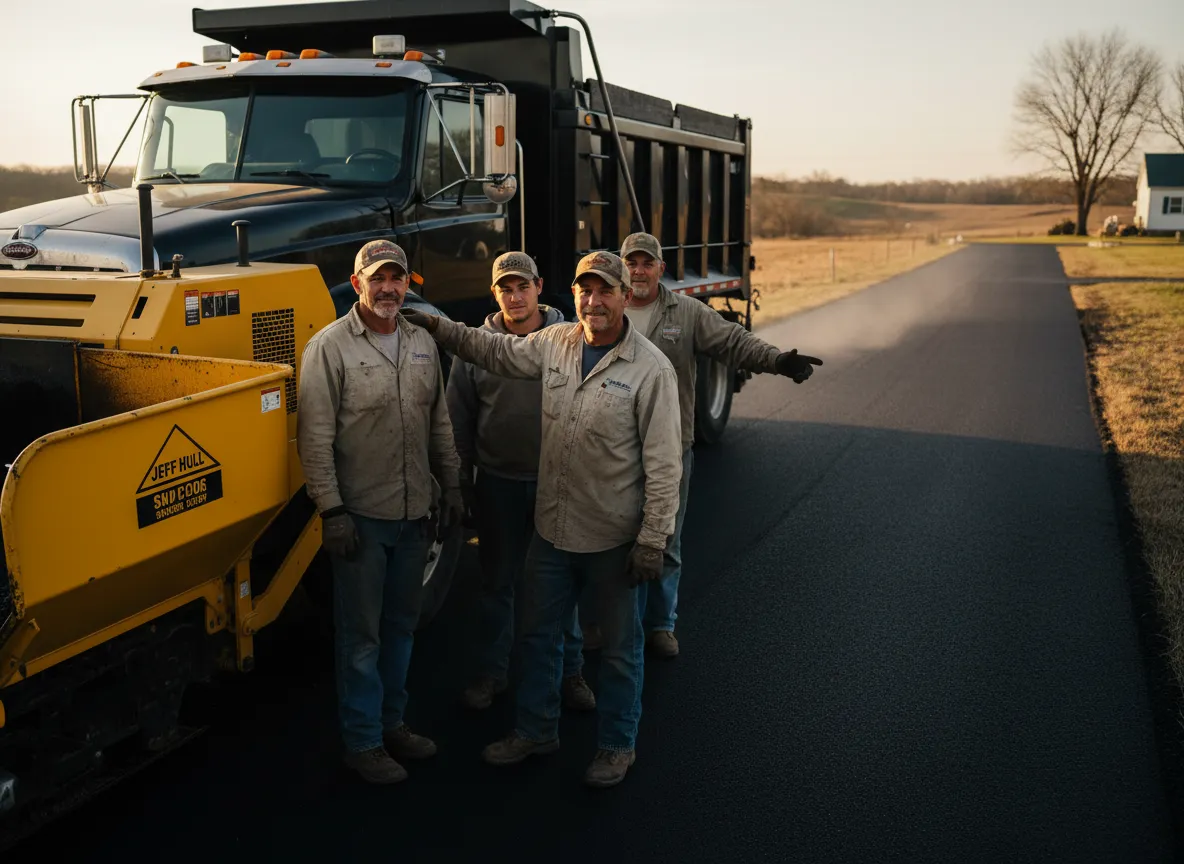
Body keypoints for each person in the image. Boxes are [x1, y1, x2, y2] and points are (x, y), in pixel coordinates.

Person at [401, 251, 682, 788]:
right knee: (537, 634)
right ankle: (536, 729)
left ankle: (617, 745)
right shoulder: (555, 343)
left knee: (620, 651)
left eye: (605, 291)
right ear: (572, 294)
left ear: (626, 297)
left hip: (612, 536)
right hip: (552, 531)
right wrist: (439, 327)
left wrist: (652, 540)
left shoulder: (651, 370)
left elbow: (666, 466)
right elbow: (493, 349)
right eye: (585, 290)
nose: (594, 301)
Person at [297, 239, 463, 785]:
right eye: (378, 278)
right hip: (362, 519)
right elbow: (314, 439)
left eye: (397, 278)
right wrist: (332, 511)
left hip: (416, 515)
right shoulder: (329, 348)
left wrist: (452, 487)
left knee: (401, 628)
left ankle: (393, 724)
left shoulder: (421, 342)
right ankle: (363, 741)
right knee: (361, 638)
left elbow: (439, 423)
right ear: (357, 282)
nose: (388, 288)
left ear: (407, 284)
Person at [620, 232, 822, 658]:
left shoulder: (686, 312)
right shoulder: (603, 308)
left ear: (661, 269)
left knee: (665, 540)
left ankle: (660, 625)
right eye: (631, 263)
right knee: (612, 540)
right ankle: (615, 625)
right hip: (612, 450)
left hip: (669, 448)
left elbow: (734, 341)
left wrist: (778, 360)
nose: (638, 271)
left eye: (646, 263)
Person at [446, 251, 594, 713]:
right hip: (498, 485)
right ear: (494, 294)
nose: (514, 297)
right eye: (505, 289)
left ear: (539, 287)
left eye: (522, 287)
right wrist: (460, 483)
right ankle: (492, 673)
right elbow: (458, 419)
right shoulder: (476, 348)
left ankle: (570, 672)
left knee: (560, 584)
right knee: (497, 584)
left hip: (559, 484)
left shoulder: (570, 341)